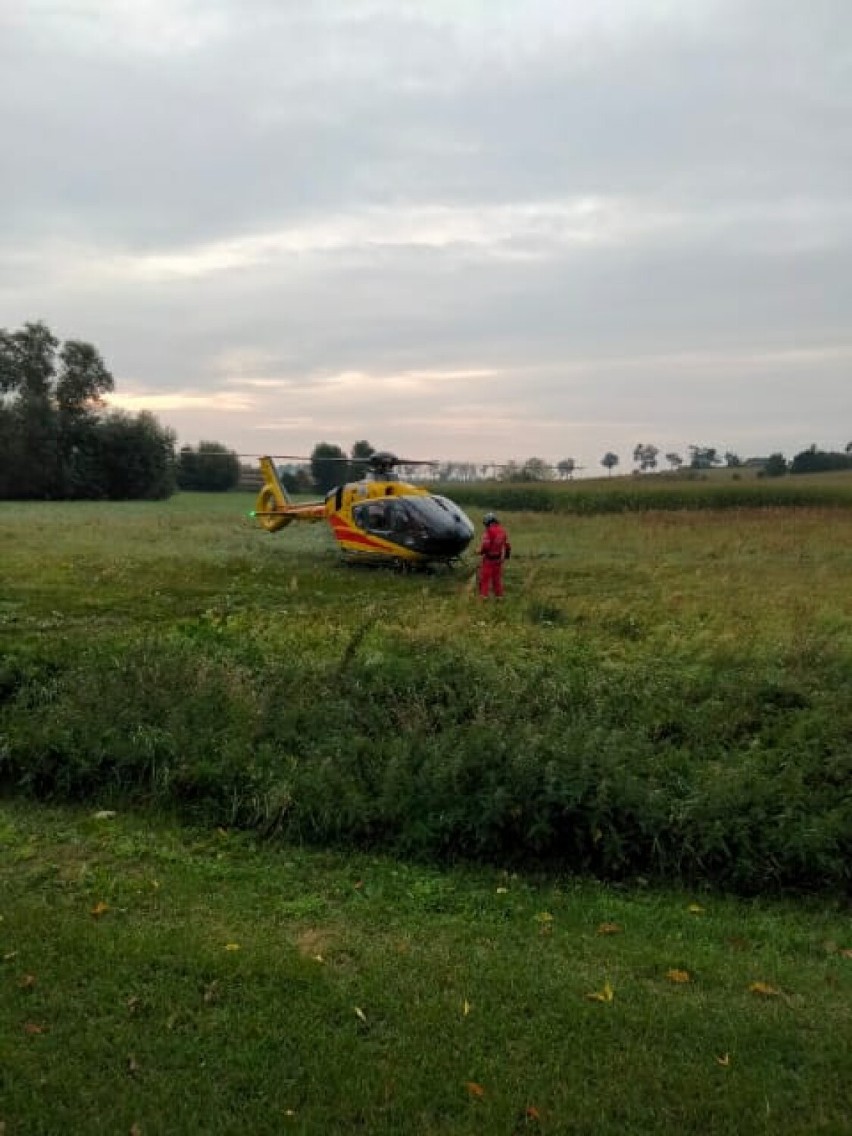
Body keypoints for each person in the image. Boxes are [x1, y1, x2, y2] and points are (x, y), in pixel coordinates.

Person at [478, 512, 511, 598]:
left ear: (488, 522)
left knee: (484, 580)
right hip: (498, 560)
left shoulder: (489, 532)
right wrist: (505, 557)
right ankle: (499, 598)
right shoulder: (502, 531)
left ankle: (483, 597)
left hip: (488, 560)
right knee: (497, 580)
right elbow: (507, 545)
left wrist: (479, 551)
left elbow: (486, 546)